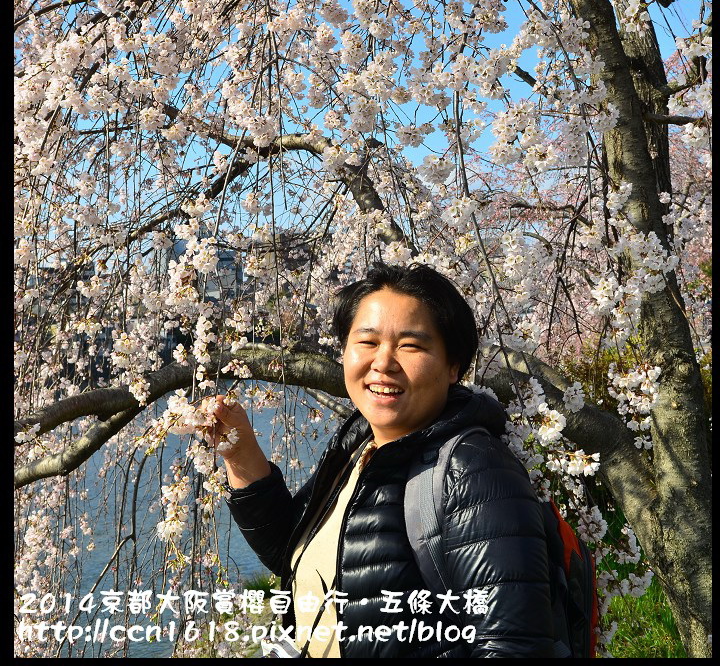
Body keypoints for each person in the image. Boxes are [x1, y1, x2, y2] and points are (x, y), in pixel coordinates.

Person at [209, 263, 557, 657]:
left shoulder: (473, 469)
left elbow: (514, 646)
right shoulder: (359, 449)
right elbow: (291, 556)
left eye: (411, 345)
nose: (384, 362)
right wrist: (240, 454)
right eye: (368, 342)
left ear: (453, 366)